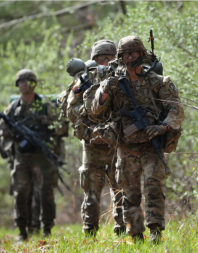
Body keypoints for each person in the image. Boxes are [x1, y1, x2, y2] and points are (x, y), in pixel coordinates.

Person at [90, 35, 184, 243]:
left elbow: (176, 108)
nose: (131, 57)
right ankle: (136, 235)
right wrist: (105, 89)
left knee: (153, 186)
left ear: (142, 54)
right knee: (129, 192)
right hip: (127, 145)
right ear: (121, 57)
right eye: (126, 54)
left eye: (134, 53)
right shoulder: (114, 81)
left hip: (152, 144)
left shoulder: (158, 82)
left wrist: (163, 127)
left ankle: (155, 232)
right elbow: (95, 111)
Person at [60, 40, 125, 237]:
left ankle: (121, 229)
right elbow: (71, 110)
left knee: (121, 189)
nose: (105, 61)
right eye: (101, 58)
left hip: (116, 142)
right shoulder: (83, 80)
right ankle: (90, 232)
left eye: (109, 57)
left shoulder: (122, 77)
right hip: (92, 144)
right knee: (92, 192)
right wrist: (90, 111)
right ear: (94, 59)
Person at [0, 69, 65, 240]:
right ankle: (22, 231)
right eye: (21, 81)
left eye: (27, 81)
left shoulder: (45, 105)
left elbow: (63, 127)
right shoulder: (13, 108)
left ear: (33, 84)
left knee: (46, 193)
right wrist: (6, 131)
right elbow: (0, 127)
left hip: (42, 156)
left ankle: (47, 229)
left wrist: (48, 124)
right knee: (20, 193)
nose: (23, 84)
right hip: (21, 157)